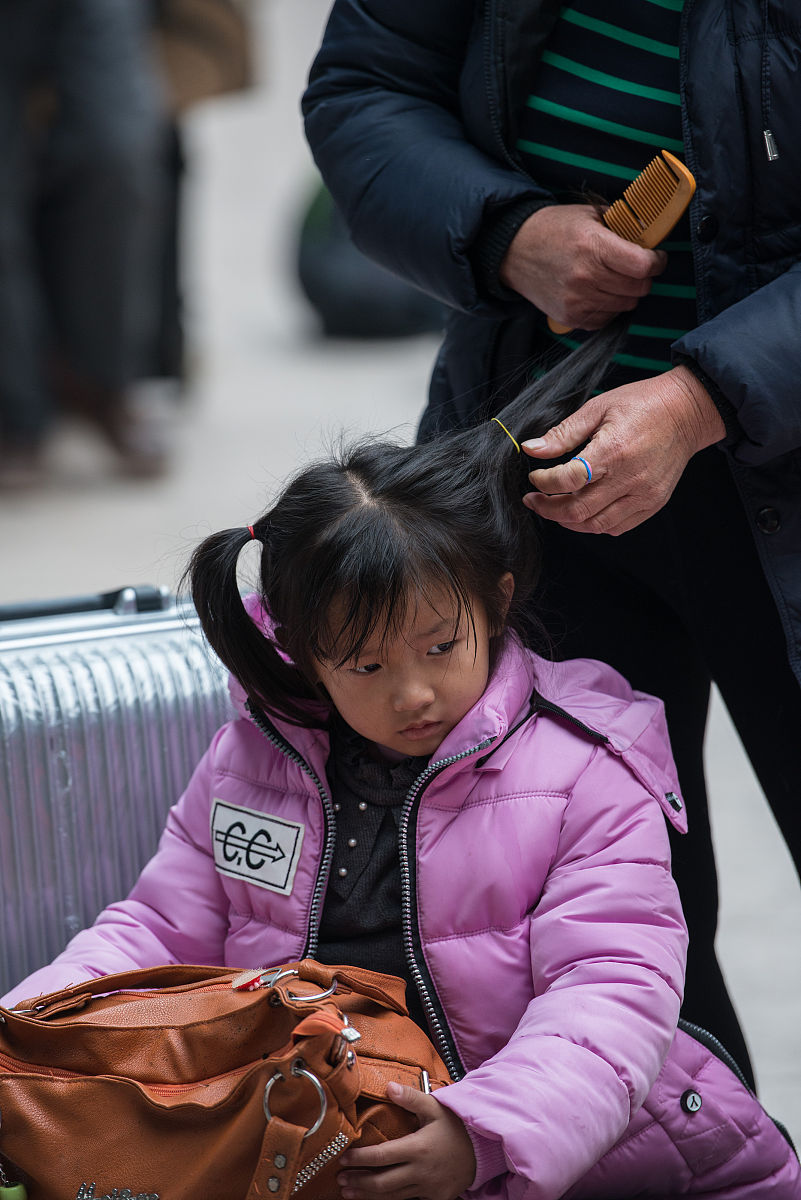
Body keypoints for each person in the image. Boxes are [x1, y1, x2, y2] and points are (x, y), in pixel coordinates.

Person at [2, 349, 799, 1198]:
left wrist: (483, 1132)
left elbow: (609, 994)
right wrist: (28, 1030)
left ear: (493, 603)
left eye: (438, 646)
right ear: (305, 656)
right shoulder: (252, 759)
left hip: (558, 1152)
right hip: (320, 1133)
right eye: (365, 666)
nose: (414, 694)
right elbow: (155, 933)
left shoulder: (582, 772)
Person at [302, 0, 801, 1088]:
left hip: (777, 458)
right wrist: (504, 234)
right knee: (594, 940)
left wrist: (709, 393)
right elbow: (364, 87)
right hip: (535, 460)